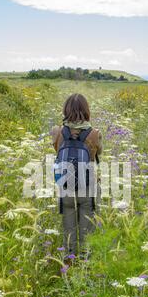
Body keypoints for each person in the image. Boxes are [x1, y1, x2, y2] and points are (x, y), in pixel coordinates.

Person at [51, 93, 102, 259]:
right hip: (88, 187)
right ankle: (86, 267)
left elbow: (57, 150)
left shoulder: (57, 131)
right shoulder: (95, 133)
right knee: (87, 231)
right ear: (86, 110)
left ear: (66, 110)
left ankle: (69, 264)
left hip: (66, 186)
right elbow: (97, 155)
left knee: (69, 231)